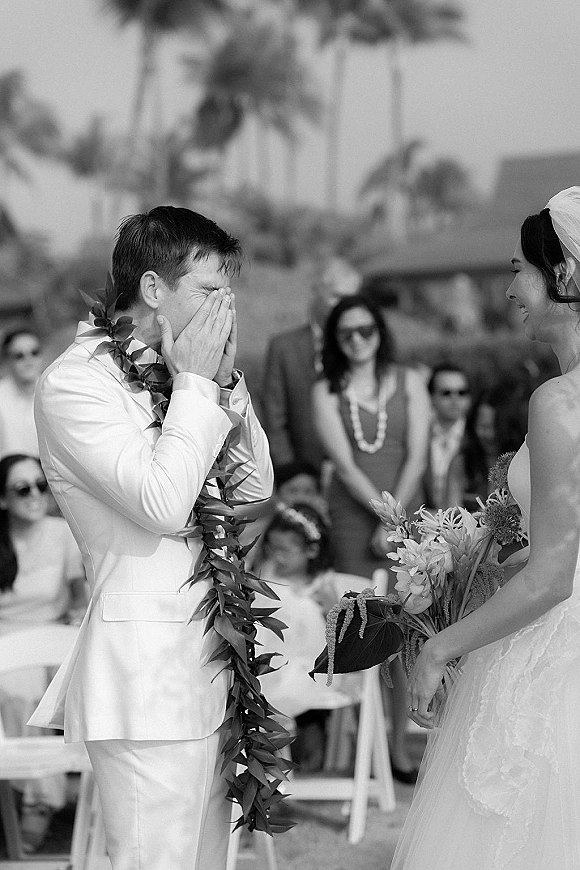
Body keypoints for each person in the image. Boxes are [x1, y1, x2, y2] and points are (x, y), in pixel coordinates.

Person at [27, 206, 273, 870]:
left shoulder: (181, 378)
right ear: (154, 289)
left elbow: (250, 490)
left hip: (212, 670)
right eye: (209, 292)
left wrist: (218, 385)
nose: (224, 310)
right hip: (144, 680)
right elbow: (162, 503)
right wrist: (196, 385)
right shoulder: (74, 383)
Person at [391, 186, 580, 869]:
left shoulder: (559, 402)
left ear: (562, 275)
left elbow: (555, 576)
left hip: (558, 659)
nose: (509, 291)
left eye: (518, 270)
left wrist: (442, 646)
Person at [312, 294, 431, 783]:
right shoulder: (326, 389)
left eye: (367, 330)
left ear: (380, 332)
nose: (359, 340)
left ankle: (398, 746)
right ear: (336, 340)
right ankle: (364, 746)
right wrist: (381, 514)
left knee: (404, 628)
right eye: (347, 333)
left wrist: (396, 518)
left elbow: (419, 456)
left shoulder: (410, 381)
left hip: (405, 511)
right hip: (352, 514)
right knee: (359, 625)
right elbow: (342, 462)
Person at [0, 453, 86, 852]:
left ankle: (35, 800)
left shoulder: (62, 533)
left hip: (50, 636)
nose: (35, 494)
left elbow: (78, 600)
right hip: (3, 636)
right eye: (22, 488)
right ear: (3, 498)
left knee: (21, 688)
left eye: (41, 485)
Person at [257, 502, 350, 772]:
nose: (277, 557)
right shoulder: (268, 578)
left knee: (279, 689)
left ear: (311, 550)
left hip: (311, 669)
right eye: (272, 549)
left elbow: (343, 630)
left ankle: (273, 747)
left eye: (285, 551)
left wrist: (332, 608)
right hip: (272, 662)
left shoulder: (321, 585)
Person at [261, 256, 361, 474]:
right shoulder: (283, 348)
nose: (344, 306)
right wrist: (292, 472)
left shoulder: (362, 347)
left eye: (350, 299)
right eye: (337, 296)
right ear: (317, 291)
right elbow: (274, 418)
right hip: (301, 474)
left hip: (358, 472)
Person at [422, 364, 472, 509]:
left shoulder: (478, 437)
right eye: (446, 393)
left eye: (462, 392)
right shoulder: (419, 437)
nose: (455, 399)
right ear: (431, 396)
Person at [0, 329, 44, 459]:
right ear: (7, 360)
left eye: (34, 352)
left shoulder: (55, 391)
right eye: (19, 355)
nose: (28, 360)